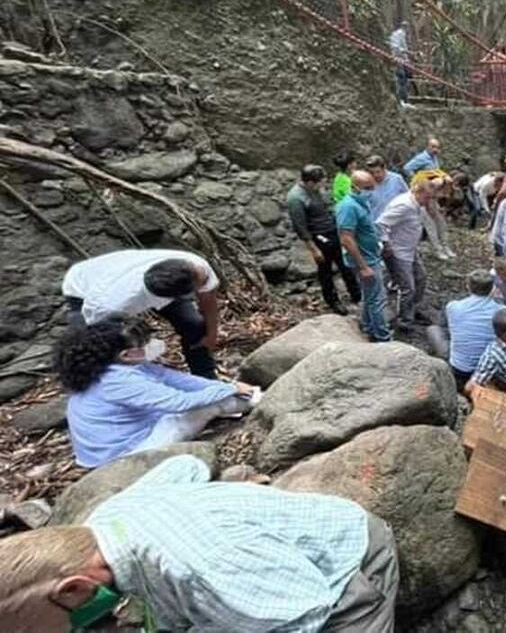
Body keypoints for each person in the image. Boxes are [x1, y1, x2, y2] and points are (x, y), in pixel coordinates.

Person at [0, 455, 398, 632]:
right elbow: (185, 466)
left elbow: (306, 611)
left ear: (74, 589)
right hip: (262, 577)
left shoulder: (196, 567)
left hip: (341, 567)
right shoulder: (105, 519)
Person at [54, 317, 256, 468]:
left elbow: (180, 381)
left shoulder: (115, 367)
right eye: (142, 345)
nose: (150, 345)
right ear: (126, 355)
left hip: (122, 442)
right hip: (122, 457)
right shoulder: (117, 380)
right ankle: (257, 401)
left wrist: (222, 386)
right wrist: (230, 389)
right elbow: (180, 402)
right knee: (210, 403)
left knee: (213, 394)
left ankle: (246, 399)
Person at [62, 249, 222, 379]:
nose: (206, 277)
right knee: (96, 350)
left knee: (193, 324)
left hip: (126, 276)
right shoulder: (110, 305)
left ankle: (206, 377)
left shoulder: (193, 266)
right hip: (82, 286)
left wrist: (211, 334)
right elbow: (94, 333)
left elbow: (208, 300)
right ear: (173, 295)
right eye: (201, 281)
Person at [287, 164, 362, 316]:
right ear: (309, 182)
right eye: (320, 182)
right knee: (325, 270)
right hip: (318, 236)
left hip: (332, 230)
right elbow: (300, 226)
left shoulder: (316, 190)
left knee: (345, 265)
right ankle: (333, 300)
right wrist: (313, 248)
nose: (322, 185)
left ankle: (357, 294)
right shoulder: (296, 198)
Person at [338, 170, 393, 342]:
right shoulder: (348, 207)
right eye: (367, 188)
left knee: (370, 296)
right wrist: (363, 266)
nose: (371, 191)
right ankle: (382, 336)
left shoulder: (362, 202)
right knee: (377, 299)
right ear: (355, 188)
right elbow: (346, 238)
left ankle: (368, 326)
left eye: (372, 187)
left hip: (371, 255)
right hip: (365, 260)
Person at [377, 181, 434, 328]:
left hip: (410, 249)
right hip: (398, 252)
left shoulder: (416, 204)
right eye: (427, 197)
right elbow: (380, 224)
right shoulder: (403, 205)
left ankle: (413, 310)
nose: (428, 201)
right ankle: (404, 321)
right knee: (408, 287)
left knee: (421, 278)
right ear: (418, 192)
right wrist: (386, 243)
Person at [445, 270, 504, 391]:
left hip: (460, 367)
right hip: (488, 369)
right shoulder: (502, 312)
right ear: (493, 288)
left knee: (434, 330)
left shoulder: (453, 306)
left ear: (468, 286)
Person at [365, 155, 410, 221]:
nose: (375, 175)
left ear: (384, 168)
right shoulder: (366, 183)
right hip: (377, 224)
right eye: (372, 173)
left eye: (378, 172)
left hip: (397, 223)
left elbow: (408, 198)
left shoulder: (396, 179)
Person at [389, 20, 413, 108]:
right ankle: (402, 101)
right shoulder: (399, 34)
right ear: (405, 27)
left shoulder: (400, 35)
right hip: (399, 59)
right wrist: (408, 52)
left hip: (402, 60)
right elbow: (396, 47)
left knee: (405, 79)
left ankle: (404, 100)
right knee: (401, 79)